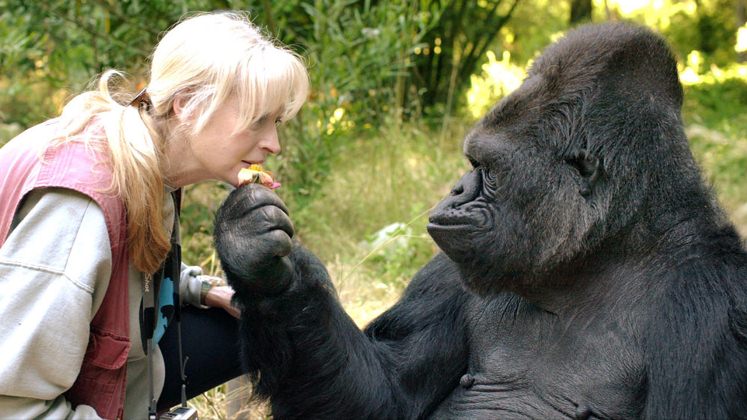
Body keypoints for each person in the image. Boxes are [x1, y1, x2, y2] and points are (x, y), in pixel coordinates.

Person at [0, 10, 309, 419]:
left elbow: (112, 272)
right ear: (187, 106)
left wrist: (199, 289)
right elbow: (12, 402)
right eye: (258, 121)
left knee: (263, 323)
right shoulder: (81, 207)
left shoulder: (143, 155)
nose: (274, 144)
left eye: (276, 121)